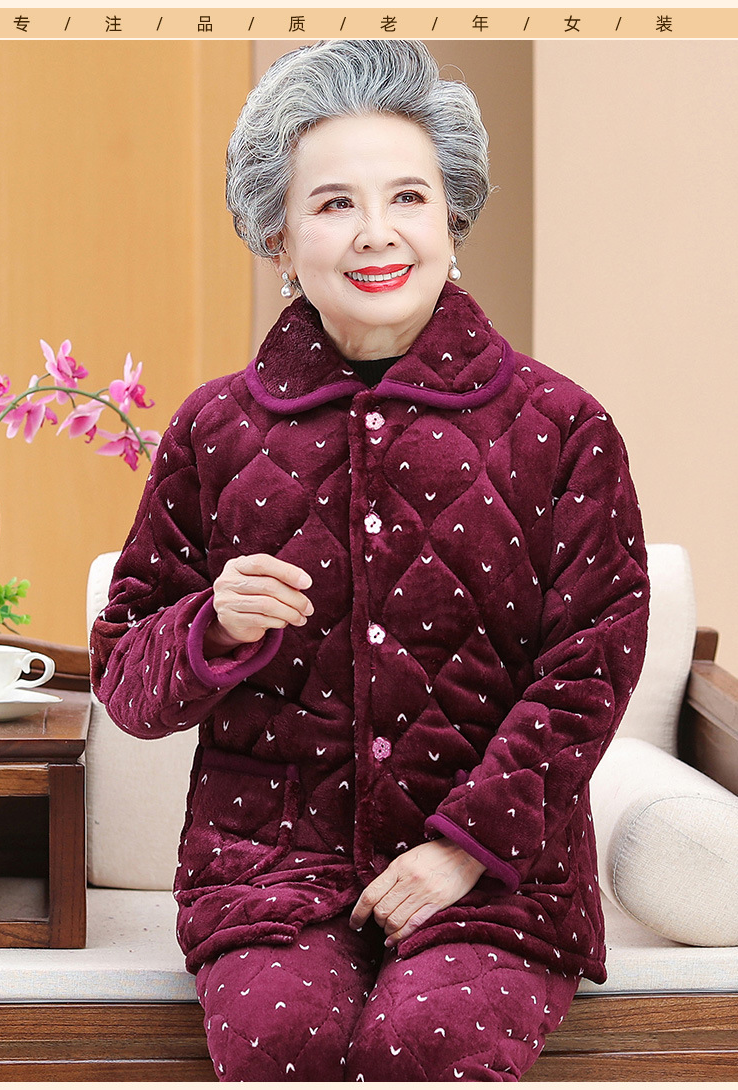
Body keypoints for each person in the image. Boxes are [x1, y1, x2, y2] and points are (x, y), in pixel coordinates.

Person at [90, 39, 649, 1081]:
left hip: (499, 879)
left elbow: (589, 669)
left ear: (453, 220)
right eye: (334, 203)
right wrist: (212, 625)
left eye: (409, 197)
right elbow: (125, 678)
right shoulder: (213, 431)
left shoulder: (562, 426)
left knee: (426, 1044)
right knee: (282, 1040)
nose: (377, 232)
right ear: (276, 231)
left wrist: (464, 850)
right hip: (268, 874)